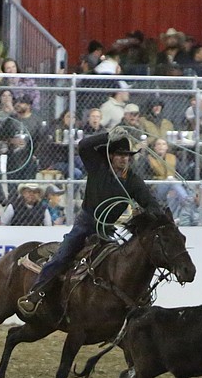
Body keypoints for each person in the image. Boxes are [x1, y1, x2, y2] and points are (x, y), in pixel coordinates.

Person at [18, 127, 164, 315]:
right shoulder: (98, 166)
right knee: (64, 255)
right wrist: (107, 136)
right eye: (119, 154)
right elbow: (84, 145)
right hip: (86, 223)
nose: (123, 158)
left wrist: (145, 214)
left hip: (107, 228)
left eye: (126, 155)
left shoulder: (133, 181)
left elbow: (152, 204)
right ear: (111, 156)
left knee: (127, 260)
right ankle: (35, 294)